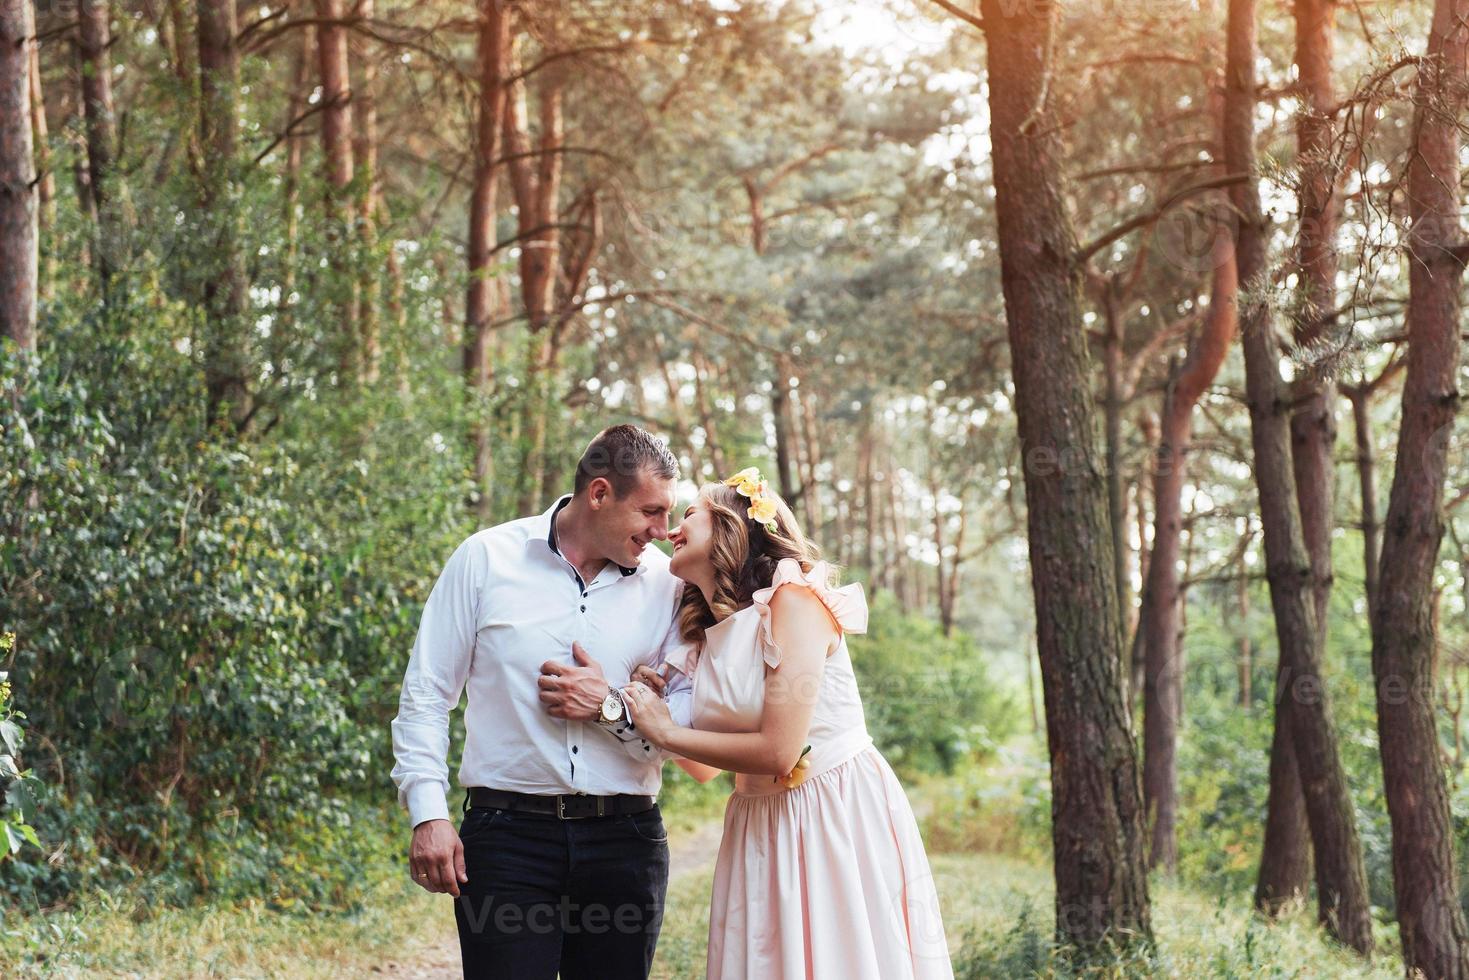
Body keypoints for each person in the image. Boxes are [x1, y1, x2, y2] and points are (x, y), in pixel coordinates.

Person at [620, 467, 954, 980]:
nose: (669, 530)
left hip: (829, 810)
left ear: (731, 525)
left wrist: (664, 732)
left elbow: (780, 751)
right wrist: (652, 712)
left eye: (689, 513)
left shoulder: (793, 600)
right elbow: (706, 769)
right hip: (758, 819)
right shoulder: (706, 640)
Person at [389, 424, 694, 980]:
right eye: (651, 512)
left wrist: (609, 706)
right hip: (507, 840)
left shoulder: (667, 586)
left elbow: (684, 725)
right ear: (599, 494)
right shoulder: (485, 559)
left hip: (624, 841)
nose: (662, 530)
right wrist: (428, 813)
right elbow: (427, 694)